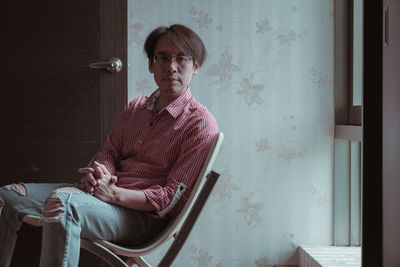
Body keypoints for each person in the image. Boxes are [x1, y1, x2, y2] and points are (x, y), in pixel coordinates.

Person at [0, 24, 218, 267]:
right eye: (162, 57)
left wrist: (113, 193)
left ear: (195, 66)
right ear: (151, 64)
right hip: (101, 199)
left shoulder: (199, 123)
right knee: (7, 197)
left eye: (182, 58)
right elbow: (110, 152)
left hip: (141, 218)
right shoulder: (136, 107)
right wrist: (101, 174)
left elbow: (170, 198)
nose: (171, 66)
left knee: (63, 203)